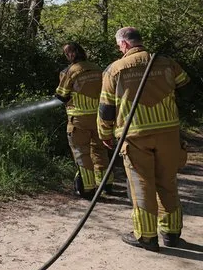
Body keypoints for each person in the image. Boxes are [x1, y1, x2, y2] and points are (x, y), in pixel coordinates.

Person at [98, 27, 190, 252]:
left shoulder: (115, 69)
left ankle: (146, 236)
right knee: (167, 182)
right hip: (168, 133)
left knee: (142, 185)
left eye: (119, 45)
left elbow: (106, 108)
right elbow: (186, 86)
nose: (119, 49)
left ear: (125, 45)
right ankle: (171, 234)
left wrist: (105, 134)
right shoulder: (166, 62)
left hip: (135, 136)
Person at [55, 42, 112, 200]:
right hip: (99, 118)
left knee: (82, 153)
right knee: (100, 151)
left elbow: (62, 95)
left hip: (79, 120)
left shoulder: (70, 71)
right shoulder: (97, 68)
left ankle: (87, 189)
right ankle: (106, 184)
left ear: (70, 54)